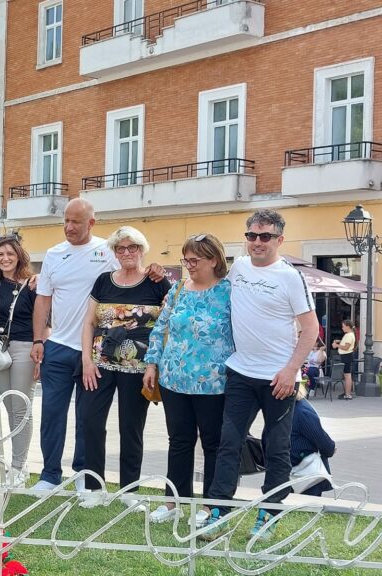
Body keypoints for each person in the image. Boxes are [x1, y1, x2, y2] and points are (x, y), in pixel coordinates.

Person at [202, 209, 319, 542]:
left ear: (279, 240)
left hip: (278, 379)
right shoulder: (237, 268)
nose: (257, 241)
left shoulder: (289, 277)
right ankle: (217, 512)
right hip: (240, 372)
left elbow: (311, 329)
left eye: (265, 236)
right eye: (251, 235)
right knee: (229, 443)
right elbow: (204, 271)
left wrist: (291, 371)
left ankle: (269, 514)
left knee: (277, 447)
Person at [29, 198, 123, 494]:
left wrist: (155, 270)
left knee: (89, 417)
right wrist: (38, 340)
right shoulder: (55, 254)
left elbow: (131, 277)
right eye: (66, 221)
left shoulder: (107, 253)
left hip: (93, 352)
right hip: (57, 346)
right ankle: (49, 476)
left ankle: (85, 474)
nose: (69, 227)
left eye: (76, 222)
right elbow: (43, 298)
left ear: (91, 223)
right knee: (52, 414)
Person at [143, 234, 233, 525]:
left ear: (214, 260)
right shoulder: (179, 288)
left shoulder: (229, 292)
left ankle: (211, 506)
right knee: (179, 440)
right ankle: (173, 501)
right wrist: (151, 364)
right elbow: (160, 328)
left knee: (213, 443)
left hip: (214, 381)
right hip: (174, 379)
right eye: (186, 260)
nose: (189, 265)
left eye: (194, 260)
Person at [79, 226, 171, 508]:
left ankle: (130, 491)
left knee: (132, 428)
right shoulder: (103, 280)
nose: (127, 253)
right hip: (100, 363)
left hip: (139, 367)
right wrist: (85, 361)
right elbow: (89, 322)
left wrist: (155, 364)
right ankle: (94, 488)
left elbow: (168, 324)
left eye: (133, 248)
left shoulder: (157, 282)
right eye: (121, 248)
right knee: (91, 423)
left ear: (142, 250)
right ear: (114, 253)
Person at [0, 235, 37, 488]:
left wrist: (40, 351)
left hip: (24, 347)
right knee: (8, 406)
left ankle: (19, 468)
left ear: (19, 255)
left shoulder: (32, 284)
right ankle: (16, 463)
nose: (5, 258)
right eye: (0, 254)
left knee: (21, 408)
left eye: (9, 254)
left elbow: (44, 321)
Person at [291, 385, 335, 496]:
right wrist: (329, 449)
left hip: (299, 470)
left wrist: (329, 448)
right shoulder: (300, 410)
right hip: (298, 470)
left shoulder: (299, 410)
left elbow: (322, 440)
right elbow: (323, 441)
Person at [332, 320, 356, 400]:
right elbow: (345, 343)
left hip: (346, 356)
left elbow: (346, 347)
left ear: (348, 326)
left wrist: (336, 345)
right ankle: (346, 392)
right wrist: (339, 341)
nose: (342, 328)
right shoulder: (348, 335)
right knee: (346, 375)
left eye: (343, 326)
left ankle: (348, 394)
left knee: (347, 375)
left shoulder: (349, 335)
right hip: (345, 356)